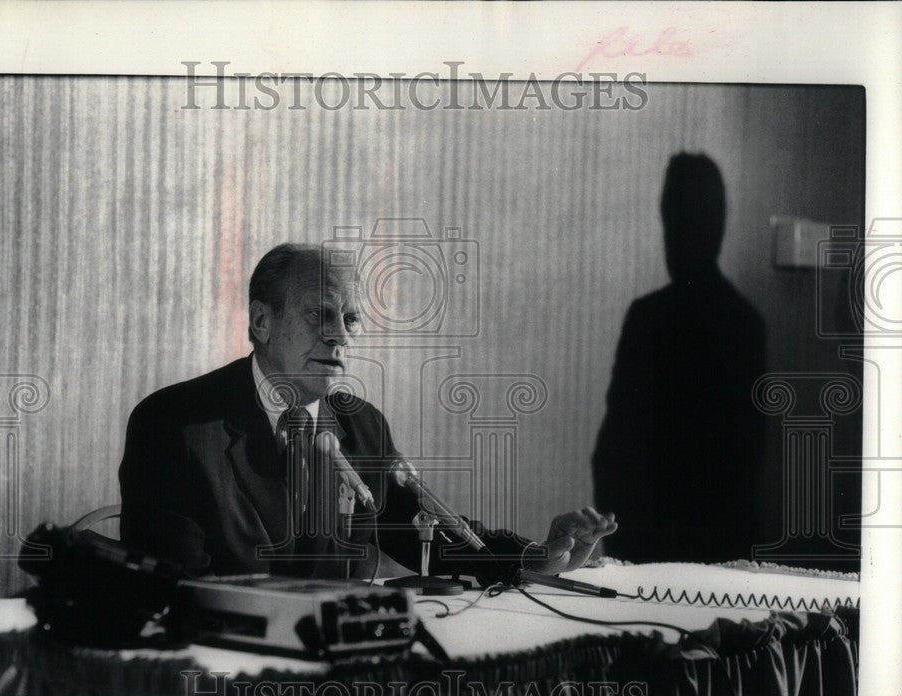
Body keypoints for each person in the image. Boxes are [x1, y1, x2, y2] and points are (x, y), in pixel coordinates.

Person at [120, 244, 617, 586]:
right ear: (261, 321)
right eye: (319, 315)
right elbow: (174, 587)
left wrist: (538, 556)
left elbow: (429, 529)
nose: (340, 336)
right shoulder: (174, 426)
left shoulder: (361, 424)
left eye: (350, 319)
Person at [592, 153, 766, 564]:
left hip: (647, 543)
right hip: (721, 545)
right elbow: (746, 464)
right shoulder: (746, 323)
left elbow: (613, 447)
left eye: (674, 219)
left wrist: (619, 538)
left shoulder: (648, 316)